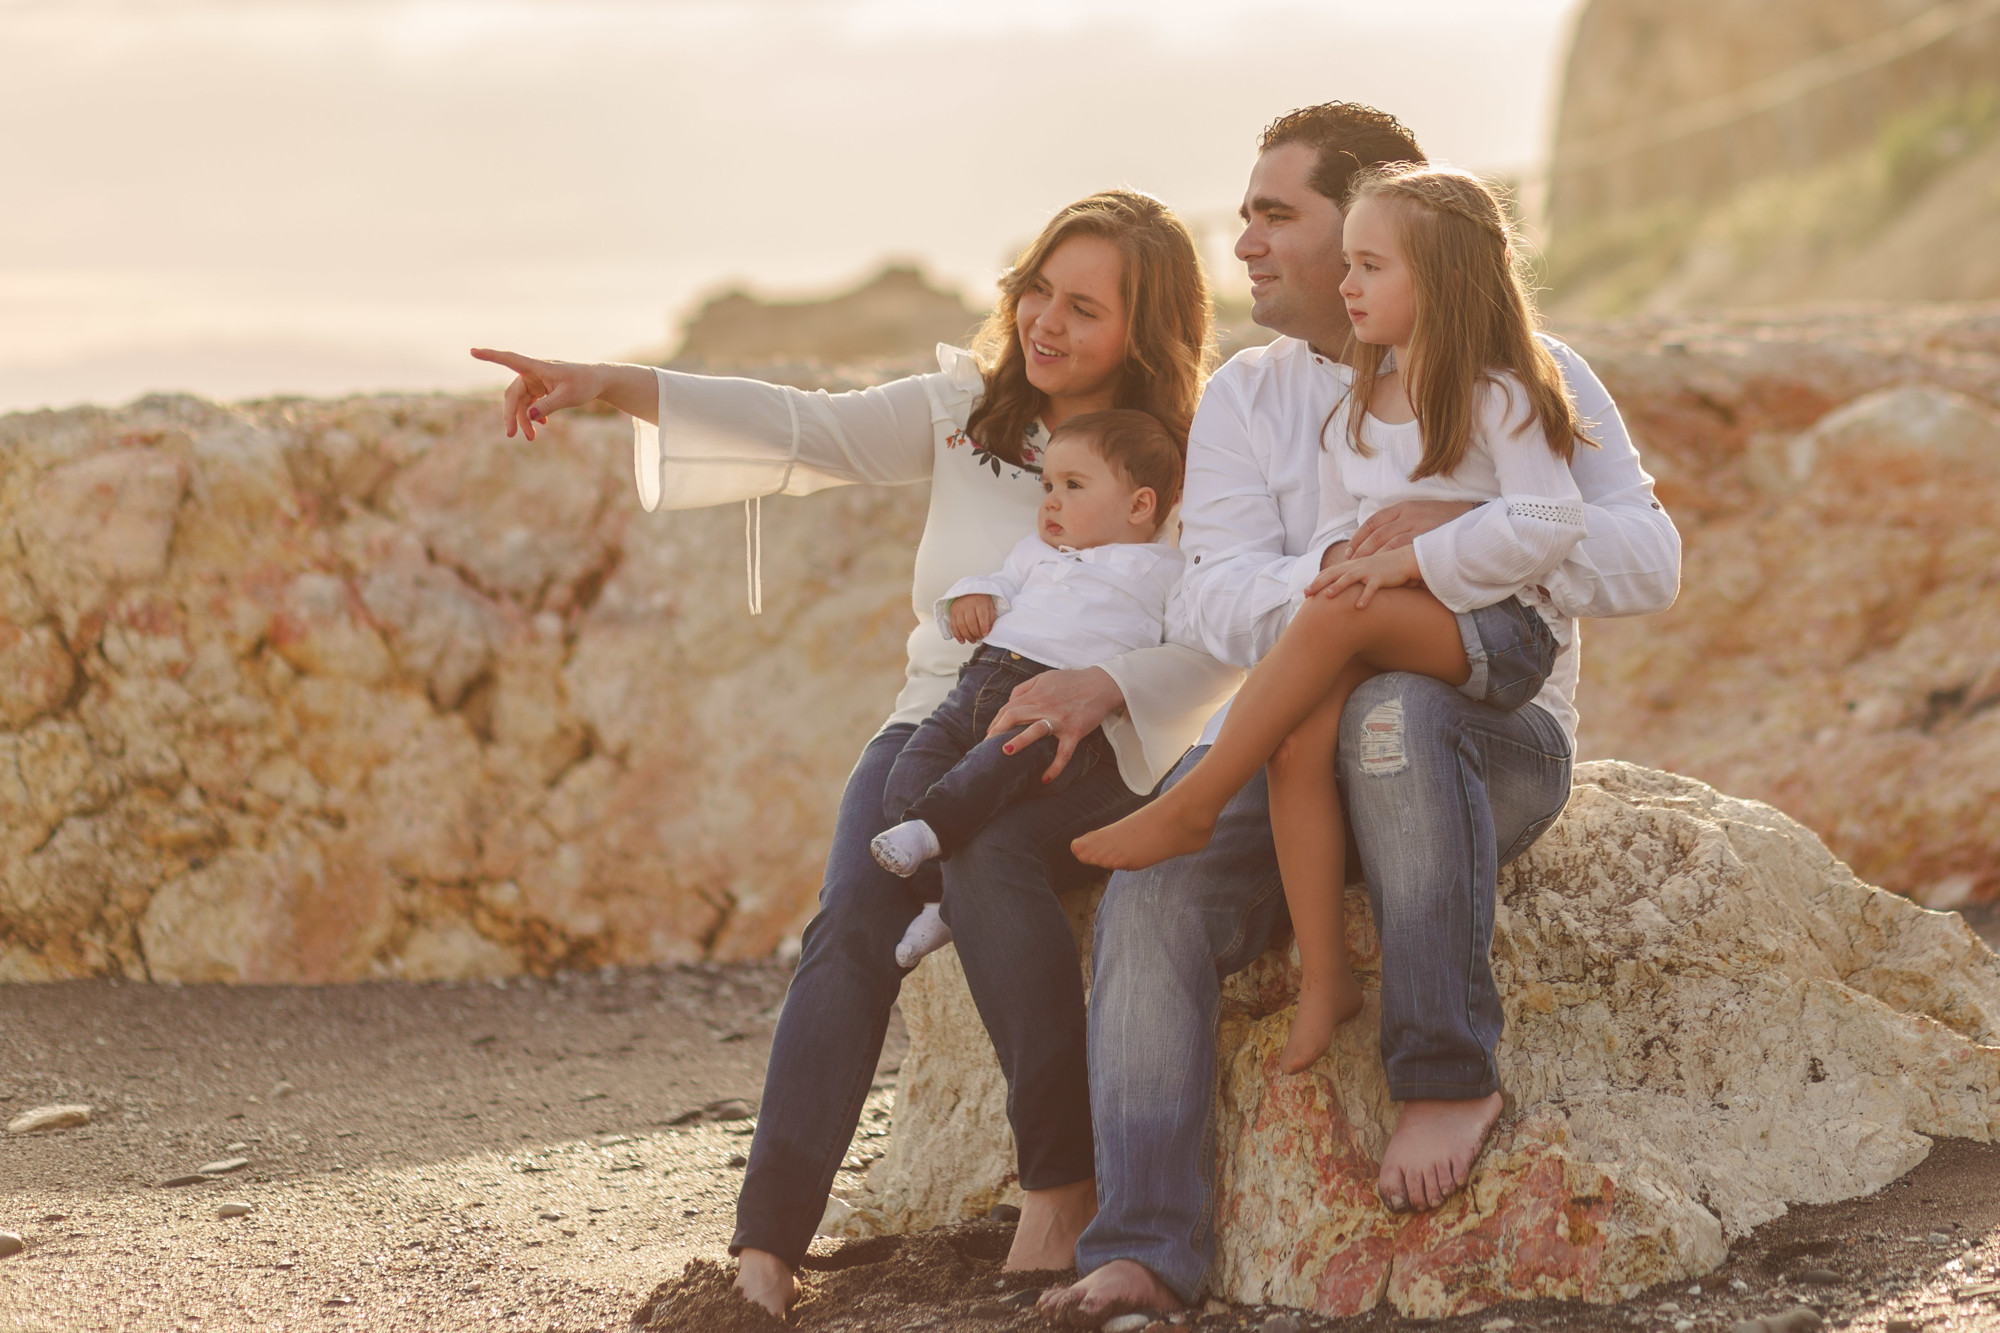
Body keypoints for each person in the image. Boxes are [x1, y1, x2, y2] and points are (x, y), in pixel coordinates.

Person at [470, 189, 1241, 1319]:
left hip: (1098, 741)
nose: (1046, 321)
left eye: (1084, 306)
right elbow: (799, 424)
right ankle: (765, 1255)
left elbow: (1219, 632)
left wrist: (1105, 689)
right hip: (934, 722)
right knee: (848, 925)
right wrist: (607, 384)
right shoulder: (957, 413)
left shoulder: (1187, 461)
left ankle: (1059, 1187)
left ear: (1148, 328)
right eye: (1037, 288)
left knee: (989, 868)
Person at [1039, 105, 1681, 1327]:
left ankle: (1444, 1068)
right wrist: (1348, 574)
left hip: (1491, 736)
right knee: (1152, 896)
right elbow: (1212, 593)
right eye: (1244, 216)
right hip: (1299, 754)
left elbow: (1648, 562)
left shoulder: (1520, 368)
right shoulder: (1248, 398)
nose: (1245, 244)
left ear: (1371, 226)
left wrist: (1451, 543)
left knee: (1394, 711)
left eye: (1275, 215)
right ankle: (1141, 1248)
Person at [1074, 163, 1592, 1079]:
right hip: (1398, 629)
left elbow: (1549, 523)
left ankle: (1192, 802)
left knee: (1335, 612)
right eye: (1346, 264)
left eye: (1370, 267)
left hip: (1499, 639)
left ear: (1441, 283)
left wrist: (1410, 561)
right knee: (1297, 736)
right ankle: (1326, 977)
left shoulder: (1502, 390)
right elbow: (1336, 538)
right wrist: (1362, 563)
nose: (1347, 286)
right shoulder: (1357, 410)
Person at [872, 409, 1186, 968]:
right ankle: (938, 902)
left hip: (1057, 708)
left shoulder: (1163, 570)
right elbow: (996, 584)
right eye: (1047, 486)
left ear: (1140, 506)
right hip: (981, 682)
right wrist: (972, 596)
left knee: (997, 768)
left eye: (1073, 486)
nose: (1051, 501)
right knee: (906, 780)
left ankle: (937, 840)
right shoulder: (1033, 552)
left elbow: (1182, 651)